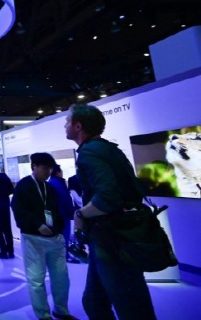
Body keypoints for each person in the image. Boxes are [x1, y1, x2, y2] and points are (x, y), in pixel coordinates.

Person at [66, 104, 158, 320]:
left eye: (67, 121)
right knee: (93, 302)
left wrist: (80, 214)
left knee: (132, 308)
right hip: (113, 237)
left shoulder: (89, 152)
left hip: (112, 240)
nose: (65, 126)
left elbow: (108, 197)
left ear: (78, 126)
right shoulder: (109, 149)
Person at [12, 153, 78, 320]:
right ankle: (43, 315)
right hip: (33, 239)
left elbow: (56, 210)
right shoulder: (24, 185)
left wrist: (58, 229)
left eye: (49, 168)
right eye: (44, 168)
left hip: (54, 238)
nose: (48, 171)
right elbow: (19, 210)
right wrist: (37, 225)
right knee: (36, 280)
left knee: (61, 278)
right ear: (34, 167)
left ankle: (61, 310)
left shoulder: (49, 188)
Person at [49, 164, 78, 264]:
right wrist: (72, 212)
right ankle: (65, 256)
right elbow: (65, 199)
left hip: (56, 214)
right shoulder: (59, 183)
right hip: (63, 214)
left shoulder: (50, 182)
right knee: (65, 235)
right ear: (58, 172)